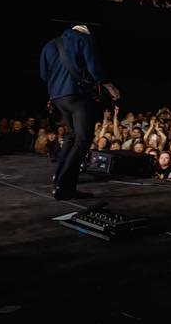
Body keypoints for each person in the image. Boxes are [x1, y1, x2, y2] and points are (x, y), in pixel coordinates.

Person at [39, 25, 119, 200]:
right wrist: (109, 85)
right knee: (83, 139)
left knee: (72, 136)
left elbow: (44, 75)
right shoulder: (84, 39)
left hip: (57, 98)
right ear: (85, 32)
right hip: (76, 95)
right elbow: (94, 67)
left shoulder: (49, 45)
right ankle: (65, 187)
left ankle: (58, 179)